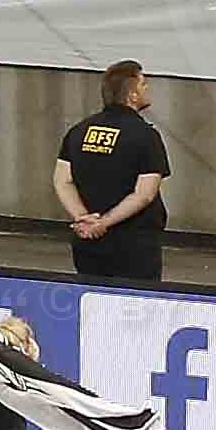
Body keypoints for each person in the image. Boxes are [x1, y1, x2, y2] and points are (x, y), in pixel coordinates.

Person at [57, 62, 170, 284]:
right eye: (144, 85)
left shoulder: (79, 130)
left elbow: (62, 181)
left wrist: (83, 218)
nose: (148, 90)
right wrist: (104, 223)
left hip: (86, 243)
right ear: (133, 95)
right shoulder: (146, 136)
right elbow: (144, 194)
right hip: (134, 246)